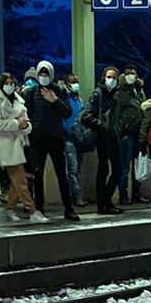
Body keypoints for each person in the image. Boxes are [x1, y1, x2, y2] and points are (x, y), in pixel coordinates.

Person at [23, 60, 79, 221]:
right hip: (37, 140)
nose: (44, 77)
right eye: (41, 73)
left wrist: (54, 100)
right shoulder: (31, 92)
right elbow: (27, 114)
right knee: (37, 175)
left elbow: (67, 112)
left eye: (46, 74)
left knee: (62, 174)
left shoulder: (59, 91)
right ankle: (39, 208)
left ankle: (68, 208)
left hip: (55, 139)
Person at [0, 73, 45, 223]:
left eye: (11, 83)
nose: (9, 85)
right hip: (6, 145)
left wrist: (25, 126)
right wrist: (16, 123)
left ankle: (11, 208)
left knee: (16, 181)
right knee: (21, 180)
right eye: (6, 83)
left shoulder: (19, 100)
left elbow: (26, 123)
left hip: (20, 144)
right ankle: (32, 210)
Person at [83, 67, 124, 215]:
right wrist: (101, 124)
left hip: (113, 135)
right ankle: (103, 203)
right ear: (103, 77)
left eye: (114, 77)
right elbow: (85, 116)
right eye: (109, 77)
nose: (111, 80)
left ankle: (106, 200)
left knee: (118, 169)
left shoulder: (116, 95)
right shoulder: (98, 94)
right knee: (103, 170)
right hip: (102, 136)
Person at [115, 65, 146, 205]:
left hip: (138, 134)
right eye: (127, 73)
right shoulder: (121, 92)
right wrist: (122, 130)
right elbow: (118, 114)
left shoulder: (139, 92)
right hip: (127, 135)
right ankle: (123, 195)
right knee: (124, 167)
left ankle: (136, 194)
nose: (130, 75)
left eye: (132, 73)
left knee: (137, 166)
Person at [61, 73, 88, 208]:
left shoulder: (78, 100)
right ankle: (76, 195)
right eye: (72, 82)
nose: (75, 84)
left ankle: (75, 194)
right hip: (68, 137)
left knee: (78, 168)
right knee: (72, 168)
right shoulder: (64, 100)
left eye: (76, 81)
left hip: (78, 137)